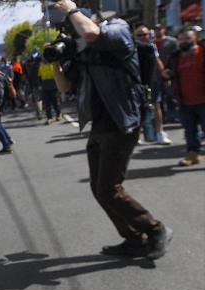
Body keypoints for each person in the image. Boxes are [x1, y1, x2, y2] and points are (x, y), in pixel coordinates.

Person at [51, 1, 172, 260]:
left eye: (74, 26)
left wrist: (72, 9)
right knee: (99, 188)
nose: (74, 33)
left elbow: (93, 34)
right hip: (100, 125)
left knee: (109, 188)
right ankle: (134, 239)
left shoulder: (119, 29)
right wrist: (55, 62)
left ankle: (156, 229)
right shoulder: (83, 53)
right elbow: (64, 87)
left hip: (122, 121)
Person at [165, 26, 205, 166]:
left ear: (195, 38)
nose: (183, 41)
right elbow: (168, 72)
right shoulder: (175, 57)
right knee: (190, 131)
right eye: (181, 39)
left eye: (187, 38)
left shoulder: (202, 52)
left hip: (203, 100)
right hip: (185, 101)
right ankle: (192, 155)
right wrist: (168, 76)